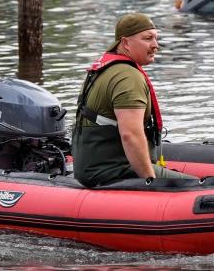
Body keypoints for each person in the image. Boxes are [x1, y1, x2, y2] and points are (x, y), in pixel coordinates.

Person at [71, 13, 195, 187]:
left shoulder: (106, 69)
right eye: (148, 38)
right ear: (126, 43)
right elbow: (131, 135)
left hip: (92, 168)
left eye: (156, 38)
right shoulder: (128, 77)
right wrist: (151, 181)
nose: (155, 45)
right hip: (113, 170)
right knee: (196, 186)